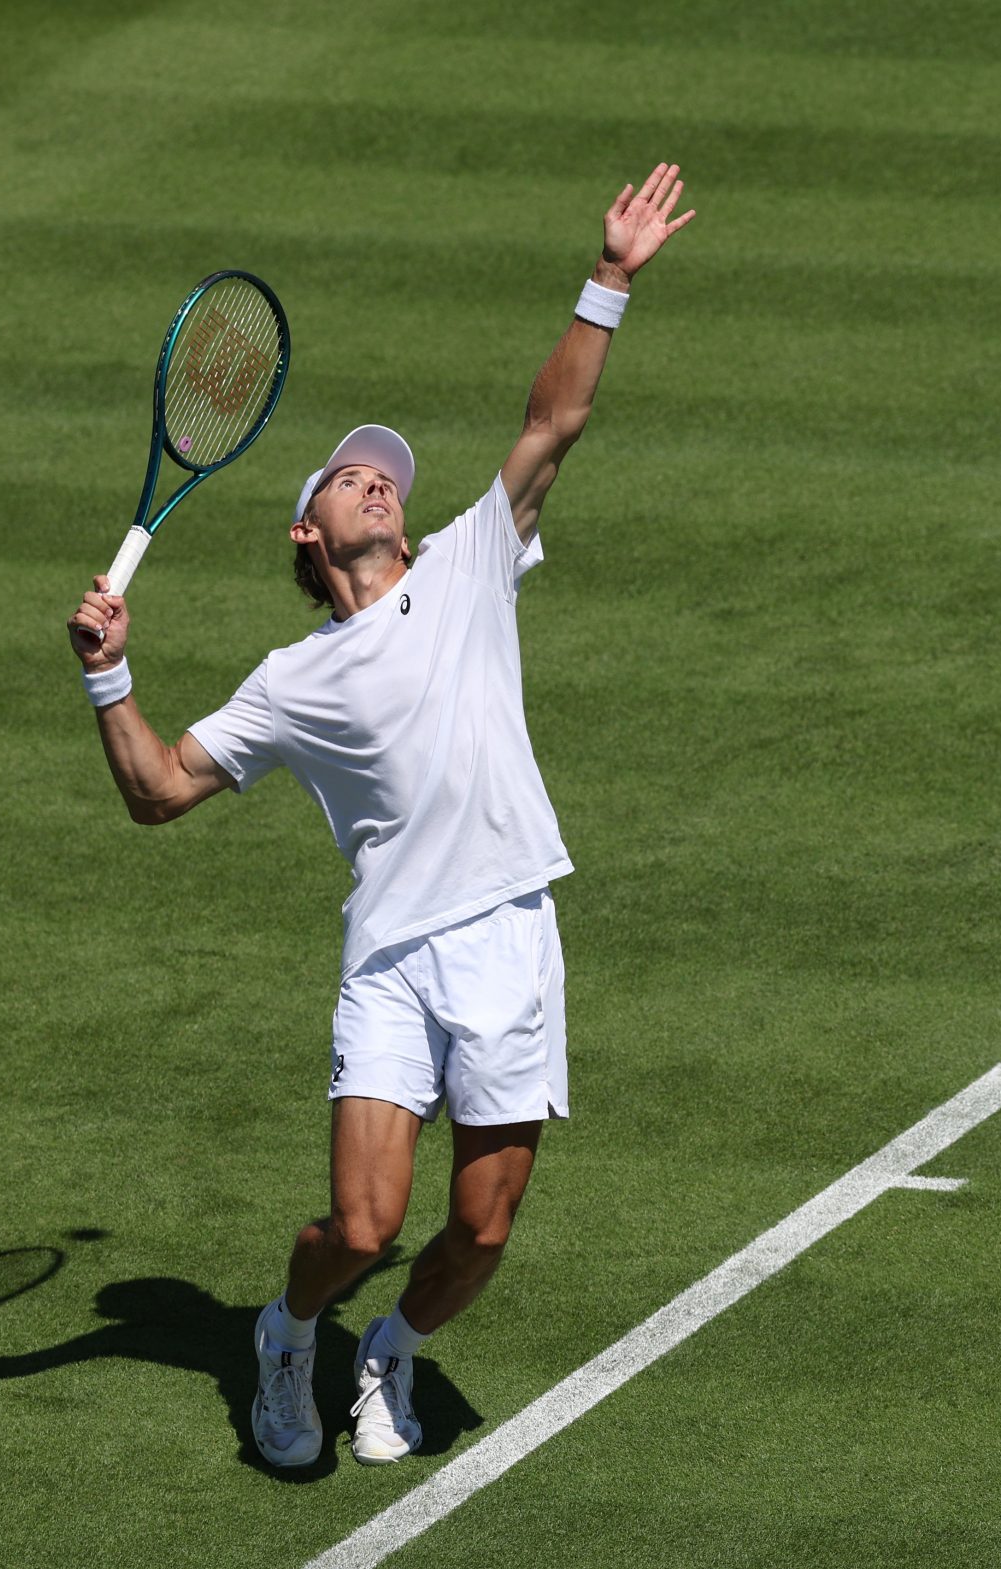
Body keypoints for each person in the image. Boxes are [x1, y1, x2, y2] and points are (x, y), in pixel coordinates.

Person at [64, 164, 693, 1467]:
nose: (379, 483)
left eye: (386, 475)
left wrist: (613, 276)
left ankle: (394, 1349)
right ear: (308, 532)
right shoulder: (292, 684)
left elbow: (554, 417)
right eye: (351, 478)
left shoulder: (472, 559)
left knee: (481, 1230)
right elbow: (157, 792)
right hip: (395, 955)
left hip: (510, 927)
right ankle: (289, 1333)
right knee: (359, 1225)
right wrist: (108, 676)